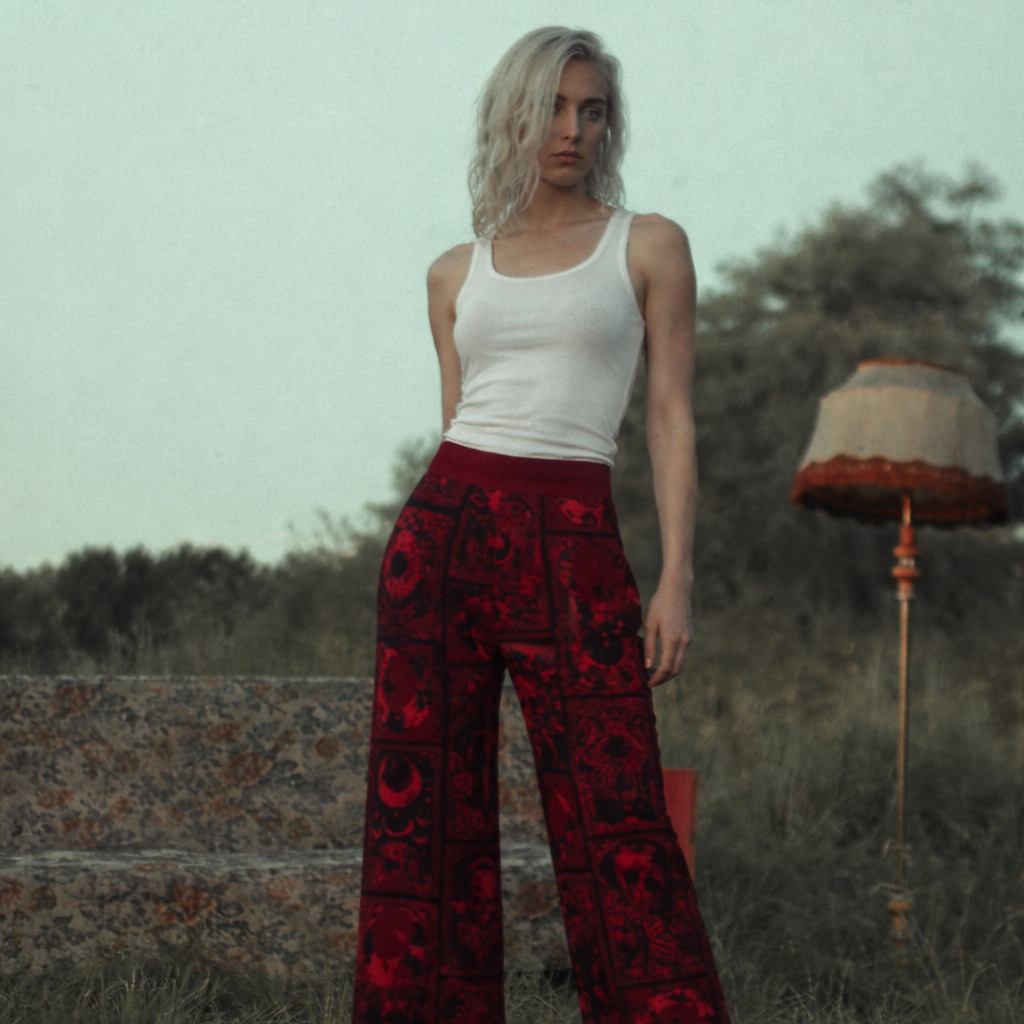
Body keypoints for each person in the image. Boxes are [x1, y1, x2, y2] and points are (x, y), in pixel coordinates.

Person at [352, 26, 730, 1024]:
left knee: (616, 813)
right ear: (514, 117)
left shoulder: (647, 244)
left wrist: (676, 577)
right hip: (443, 537)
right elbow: (458, 421)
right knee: (424, 821)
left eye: (591, 110)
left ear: (609, 124)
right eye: (553, 108)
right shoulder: (454, 272)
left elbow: (669, 415)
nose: (572, 129)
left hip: (574, 541)